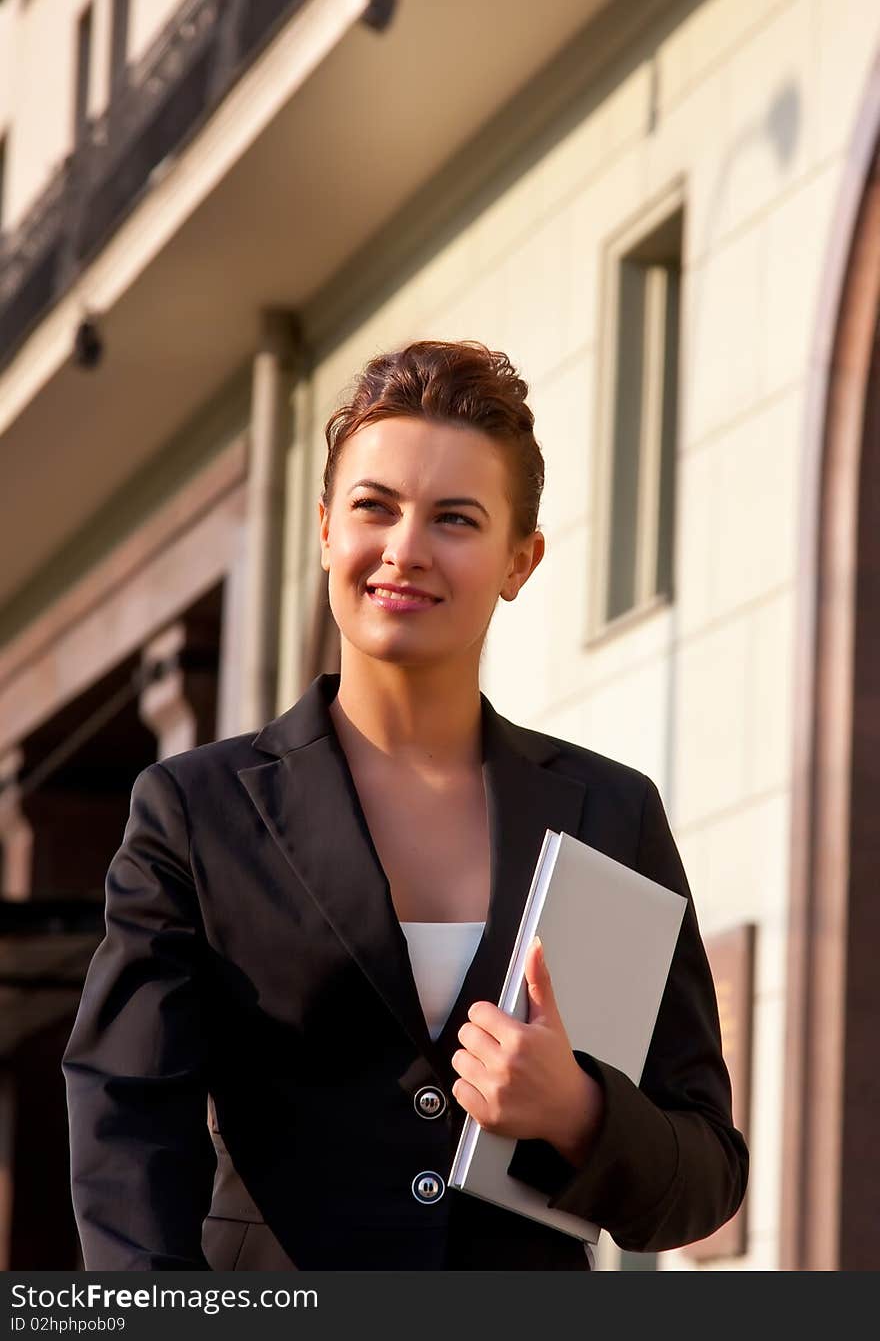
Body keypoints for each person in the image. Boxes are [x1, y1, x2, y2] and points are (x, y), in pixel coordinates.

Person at [63, 339, 748, 1271]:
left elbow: (704, 1174)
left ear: (521, 558)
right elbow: (126, 1125)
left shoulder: (611, 816)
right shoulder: (194, 812)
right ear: (324, 531)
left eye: (456, 519)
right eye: (373, 508)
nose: (405, 550)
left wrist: (580, 1114)